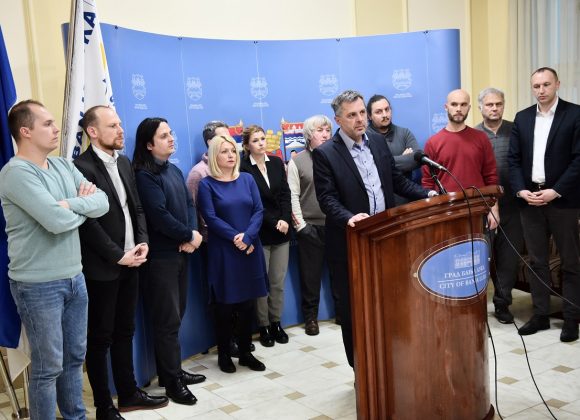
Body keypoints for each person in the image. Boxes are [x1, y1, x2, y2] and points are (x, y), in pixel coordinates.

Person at [0, 100, 109, 419]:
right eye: (47, 123)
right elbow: (56, 222)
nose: (56, 128)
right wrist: (78, 208)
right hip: (37, 285)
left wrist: (66, 205)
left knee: (74, 359)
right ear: (25, 131)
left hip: (75, 277)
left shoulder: (63, 166)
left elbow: (102, 202)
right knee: (48, 367)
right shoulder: (15, 173)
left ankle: (75, 416)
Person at [312, 90, 433, 367]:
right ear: (338, 120)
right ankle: (361, 370)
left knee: (388, 303)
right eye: (351, 115)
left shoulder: (377, 142)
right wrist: (349, 218)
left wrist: (427, 194)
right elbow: (327, 199)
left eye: (361, 113)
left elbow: (396, 182)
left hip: (384, 239)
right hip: (350, 242)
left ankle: (388, 363)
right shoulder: (325, 154)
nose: (359, 120)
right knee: (354, 310)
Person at [74, 106, 169, 419]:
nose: (120, 130)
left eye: (119, 124)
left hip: (133, 260)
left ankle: (128, 394)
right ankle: (104, 405)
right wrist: (118, 254)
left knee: (125, 330)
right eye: (112, 126)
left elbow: (136, 207)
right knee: (100, 338)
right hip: (103, 266)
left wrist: (142, 242)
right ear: (92, 132)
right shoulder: (81, 167)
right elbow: (88, 223)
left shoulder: (124, 162)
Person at [132, 117, 205, 406]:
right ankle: (173, 383)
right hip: (161, 258)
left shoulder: (173, 169)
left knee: (177, 315)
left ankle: (171, 371)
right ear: (149, 144)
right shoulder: (144, 175)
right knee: (167, 320)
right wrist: (189, 235)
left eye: (170, 133)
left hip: (181, 252)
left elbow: (188, 204)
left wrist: (192, 235)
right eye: (164, 136)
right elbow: (159, 216)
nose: (171, 138)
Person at [508, 67, 580, 342]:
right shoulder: (523, 117)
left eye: (546, 84)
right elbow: (514, 160)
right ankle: (540, 315)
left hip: (563, 201)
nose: (541, 90)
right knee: (537, 261)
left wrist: (556, 191)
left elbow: (578, 160)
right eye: (536, 86)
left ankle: (571, 319)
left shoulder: (574, 114)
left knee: (570, 262)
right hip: (530, 200)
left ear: (557, 84)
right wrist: (521, 191)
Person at [197, 135, 268, 373]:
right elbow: (210, 218)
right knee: (225, 306)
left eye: (232, 151)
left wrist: (248, 237)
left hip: (250, 249)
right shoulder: (207, 184)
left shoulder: (247, 179)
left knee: (248, 304)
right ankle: (225, 354)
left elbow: (258, 210)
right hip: (224, 252)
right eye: (224, 151)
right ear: (214, 156)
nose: (230, 155)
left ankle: (246, 353)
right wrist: (237, 238)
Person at [475, 88, 524, 325]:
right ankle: (476, 306)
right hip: (484, 207)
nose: (494, 108)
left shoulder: (517, 130)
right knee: (483, 257)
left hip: (514, 206)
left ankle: (502, 303)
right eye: (489, 104)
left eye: (498, 104)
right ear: (480, 107)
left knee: (508, 259)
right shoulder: (473, 135)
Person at [240, 125, 292, 347]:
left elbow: (286, 194)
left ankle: (276, 323)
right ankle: (263, 326)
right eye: (255, 140)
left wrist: (286, 219)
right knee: (261, 284)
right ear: (246, 145)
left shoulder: (277, 163)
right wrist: (274, 222)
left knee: (278, 282)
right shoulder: (243, 168)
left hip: (282, 231)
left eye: (263, 138)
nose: (261, 143)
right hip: (260, 232)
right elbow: (253, 203)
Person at [287, 114, 339, 335]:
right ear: (309, 135)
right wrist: (301, 227)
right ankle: (311, 319)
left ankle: (342, 314)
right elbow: (292, 195)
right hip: (310, 228)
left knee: (340, 274)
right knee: (310, 277)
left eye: (328, 130)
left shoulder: (339, 157)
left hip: (336, 226)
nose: (325, 134)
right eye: (320, 130)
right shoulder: (297, 161)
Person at [422, 89, 499, 230]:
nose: (458, 109)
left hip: (478, 209)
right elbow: (428, 183)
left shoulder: (481, 138)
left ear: (469, 108)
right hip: (446, 212)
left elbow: (491, 176)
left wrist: (494, 209)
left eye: (463, 105)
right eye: (454, 104)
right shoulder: (433, 143)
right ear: (446, 107)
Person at [366, 94, 422, 205]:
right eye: (379, 112)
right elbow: (369, 167)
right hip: (378, 204)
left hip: (405, 201)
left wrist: (381, 163)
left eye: (387, 109)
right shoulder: (364, 137)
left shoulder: (405, 133)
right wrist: (403, 158)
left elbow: (417, 159)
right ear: (369, 116)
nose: (385, 115)